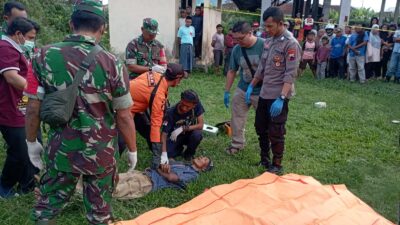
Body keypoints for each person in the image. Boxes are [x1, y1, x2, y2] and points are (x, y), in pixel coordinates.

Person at [25, 1, 137, 224]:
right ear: (102, 28)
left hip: (61, 151)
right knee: (100, 213)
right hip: (100, 153)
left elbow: (32, 108)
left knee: (46, 209)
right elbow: (124, 115)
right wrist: (132, 149)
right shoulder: (114, 63)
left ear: (71, 23)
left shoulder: (41, 56)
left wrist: (31, 142)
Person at [246, 7, 301, 174]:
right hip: (265, 92)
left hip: (278, 95)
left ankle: (277, 165)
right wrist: (252, 84)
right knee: (260, 127)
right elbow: (262, 66)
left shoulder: (291, 43)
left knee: (276, 130)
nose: (267, 30)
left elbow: (290, 73)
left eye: (270, 26)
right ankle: (265, 159)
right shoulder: (269, 41)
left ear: (280, 23)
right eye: (265, 26)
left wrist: (282, 97)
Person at [0, 17, 38, 198]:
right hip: (9, 108)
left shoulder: (15, 49)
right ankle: (4, 186)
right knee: (19, 150)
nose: (31, 41)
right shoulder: (5, 48)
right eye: (30, 37)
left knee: (32, 143)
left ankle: (27, 185)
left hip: (22, 105)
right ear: (17, 34)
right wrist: (36, 92)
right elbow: (12, 77)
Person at [129, 63, 185, 169]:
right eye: (181, 79)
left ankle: (160, 156)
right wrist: (157, 156)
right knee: (121, 140)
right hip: (120, 108)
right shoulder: (158, 96)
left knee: (147, 129)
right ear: (177, 79)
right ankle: (157, 160)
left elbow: (142, 90)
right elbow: (156, 125)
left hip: (132, 105)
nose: (180, 82)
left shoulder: (155, 74)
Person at [125, 18, 167, 151]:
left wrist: (162, 69)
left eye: (154, 34)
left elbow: (164, 64)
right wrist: (150, 69)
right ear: (142, 30)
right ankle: (127, 141)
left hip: (155, 87)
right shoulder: (133, 45)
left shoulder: (159, 46)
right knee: (132, 115)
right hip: (137, 87)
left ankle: (159, 143)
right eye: (150, 33)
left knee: (159, 115)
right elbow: (131, 66)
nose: (152, 36)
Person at [223, 21, 265, 155]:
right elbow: (232, 71)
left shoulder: (264, 45)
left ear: (250, 33)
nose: (238, 42)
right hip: (243, 88)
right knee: (237, 116)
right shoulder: (236, 50)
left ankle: (266, 147)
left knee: (264, 121)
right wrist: (227, 91)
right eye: (235, 39)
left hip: (263, 91)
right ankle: (237, 144)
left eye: (241, 38)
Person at [99, 156, 213, 200]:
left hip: (150, 182)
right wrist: (161, 166)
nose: (201, 157)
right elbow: (165, 164)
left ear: (203, 169)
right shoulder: (183, 164)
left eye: (205, 160)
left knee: (118, 190)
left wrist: (159, 169)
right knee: (115, 177)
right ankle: (86, 186)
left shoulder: (193, 174)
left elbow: (171, 178)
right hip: (144, 174)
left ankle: (90, 195)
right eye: (203, 156)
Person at [162, 90, 204, 160]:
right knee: (168, 153)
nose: (184, 108)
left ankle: (188, 153)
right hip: (174, 137)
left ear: (194, 105)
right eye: (183, 104)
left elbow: (201, 125)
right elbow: (163, 134)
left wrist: (183, 128)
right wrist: (164, 154)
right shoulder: (170, 113)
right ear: (181, 100)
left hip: (189, 134)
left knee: (197, 134)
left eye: (188, 107)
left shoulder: (197, 105)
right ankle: (179, 148)